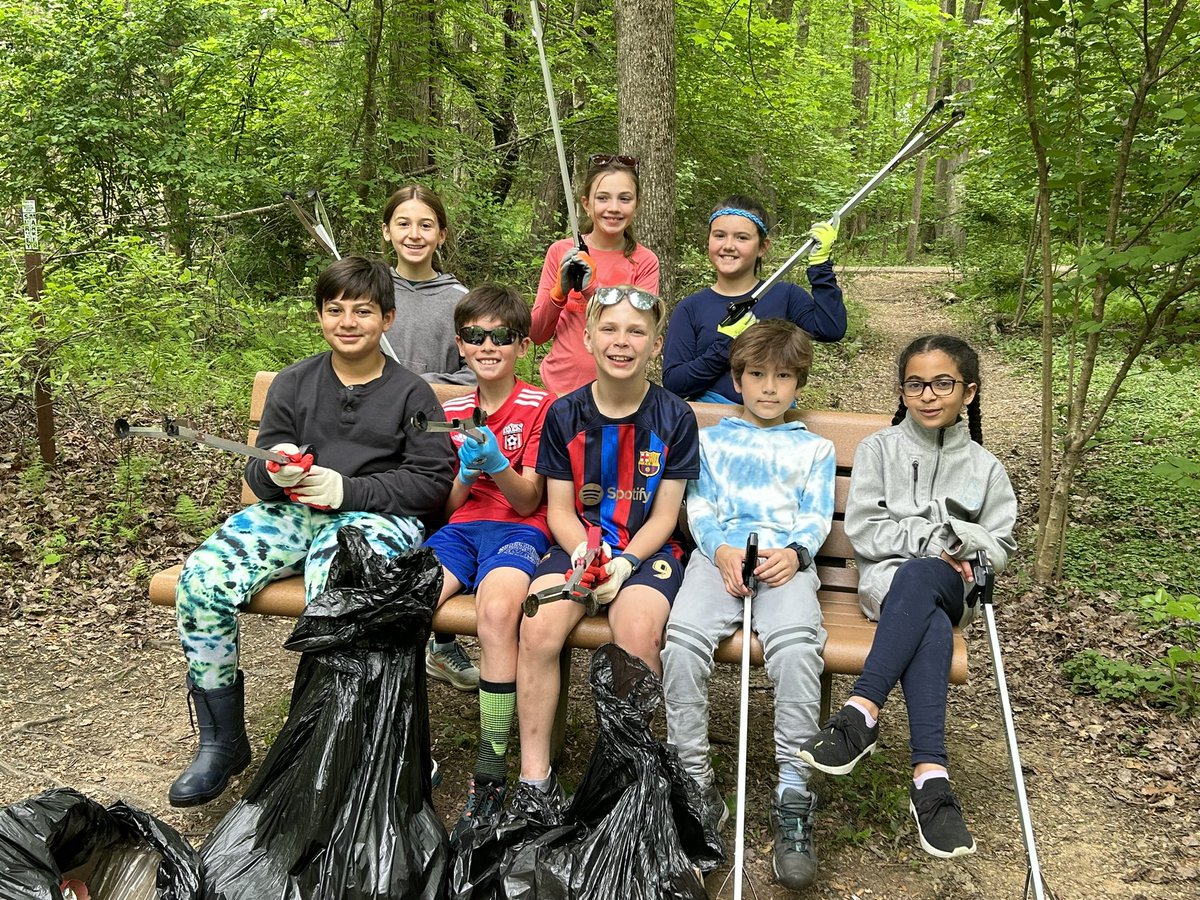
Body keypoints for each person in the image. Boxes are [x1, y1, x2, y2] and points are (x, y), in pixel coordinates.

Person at [169, 256, 454, 807]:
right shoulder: (295, 383)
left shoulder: (414, 394)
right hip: (295, 513)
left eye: (363, 311)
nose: (348, 321)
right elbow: (259, 467)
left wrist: (348, 490)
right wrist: (274, 468)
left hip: (378, 517)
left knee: (339, 581)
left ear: (387, 319)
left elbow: (431, 483)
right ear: (321, 316)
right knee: (202, 580)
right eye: (335, 310)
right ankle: (221, 742)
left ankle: (359, 739)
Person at [796, 334, 1017, 860]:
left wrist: (962, 544)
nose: (929, 394)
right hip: (886, 587)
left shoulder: (985, 467)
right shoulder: (879, 449)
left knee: (926, 583)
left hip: (952, 586)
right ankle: (931, 778)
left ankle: (862, 711)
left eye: (944, 383)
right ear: (902, 391)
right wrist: (939, 538)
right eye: (916, 384)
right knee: (926, 609)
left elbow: (1001, 544)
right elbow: (868, 531)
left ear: (969, 392)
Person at [662, 319, 835, 890]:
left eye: (783, 376)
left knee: (796, 651)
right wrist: (720, 550)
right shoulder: (712, 440)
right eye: (757, 374)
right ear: (736, 379)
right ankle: (692, 781)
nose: (768, 387)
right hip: (721, 562)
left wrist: (798, 551)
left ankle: (792, 789)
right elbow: (700, 507)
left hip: (784, 566)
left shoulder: (815, 447)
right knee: (683, 643)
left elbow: (814, 514)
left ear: (798, 384)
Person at [516, 285, 699, 804]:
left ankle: (628, 777)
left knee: (637, 631)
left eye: (637, 332)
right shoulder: (564, 414)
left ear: (656, 345)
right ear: (590, 340)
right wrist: (582, 551)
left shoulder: (675, 417)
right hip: (579, 546)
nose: (623, 342)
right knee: (538, 626)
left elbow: (665, 515)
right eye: (610, 330)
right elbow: (557, 508)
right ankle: (535, 779)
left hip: (648, 552)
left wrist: (626, 564)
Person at [419, 285, 556, 839]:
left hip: (520, 529)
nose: (488, 345)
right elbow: (445, 507)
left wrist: (497, 464)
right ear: (460, 344)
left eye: (501, 336)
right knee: (409, 598)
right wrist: (465, 475)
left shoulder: (542, 405)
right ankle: (404, 749)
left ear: (522, 344)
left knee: (499, 611)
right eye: (475, 336)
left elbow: (528, 499)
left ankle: (492, 765)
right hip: (461, 530)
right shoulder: (448, 410)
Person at [380, 184, 480, 686]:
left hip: (438, 434)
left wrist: (423, 387)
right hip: (381, 439)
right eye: (403, 223)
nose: (414, 234)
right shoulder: (372, 295)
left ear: (441, 234)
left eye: (425, 225)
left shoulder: (458, 299)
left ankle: (440, 643)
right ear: (387, 231)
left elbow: (478, 370)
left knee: (440, 515)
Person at [662, 195, 846, 404]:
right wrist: (725, 346)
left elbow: (831, 329)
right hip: (712, 424)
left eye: (742, 238)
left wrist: (820, 267)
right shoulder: (690, 308)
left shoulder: (785, 295)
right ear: (709, 241)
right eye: (720, 235)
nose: (728, 245)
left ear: (762, 247)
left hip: (775, 423)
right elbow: (674, 384)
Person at [530, 154, 660, 396]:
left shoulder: (645, 261)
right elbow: (537, 334)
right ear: (586, 204)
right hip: (560, 393)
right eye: (602, 198)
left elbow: (638, 331)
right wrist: (559, 293)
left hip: (618, 396)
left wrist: (592, 289)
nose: (613, 208)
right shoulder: (561, 252)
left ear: (637, 204)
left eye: (624, 199)